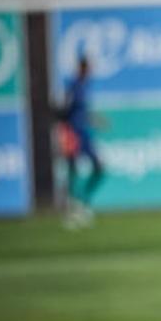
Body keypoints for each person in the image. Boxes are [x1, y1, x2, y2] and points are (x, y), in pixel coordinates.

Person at [55, 56, 104, 228]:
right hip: (73, 134)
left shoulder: (84, 86)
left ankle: (81, 202)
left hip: (84, 133)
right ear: (82, 68)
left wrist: (94, 120)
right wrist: (64, 133)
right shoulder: (73, 86)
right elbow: (62, 111)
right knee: (73, 170)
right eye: (89, 68)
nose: (90, 71)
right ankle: (72, 210)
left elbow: (81, 112)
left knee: (99, 168)